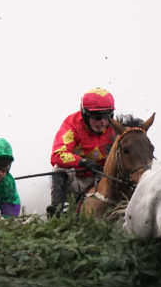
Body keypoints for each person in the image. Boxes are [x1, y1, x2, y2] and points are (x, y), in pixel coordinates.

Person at [47, 88, 117, 217]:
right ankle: (57, 210)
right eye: (97, 117)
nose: (103, 122)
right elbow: (57, 155)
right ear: (85, 114)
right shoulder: (72, 124)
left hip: (101, 181)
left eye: (107, 116)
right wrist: (83, 162)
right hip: (76, 181)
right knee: (59, 168)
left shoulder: (114, 128)